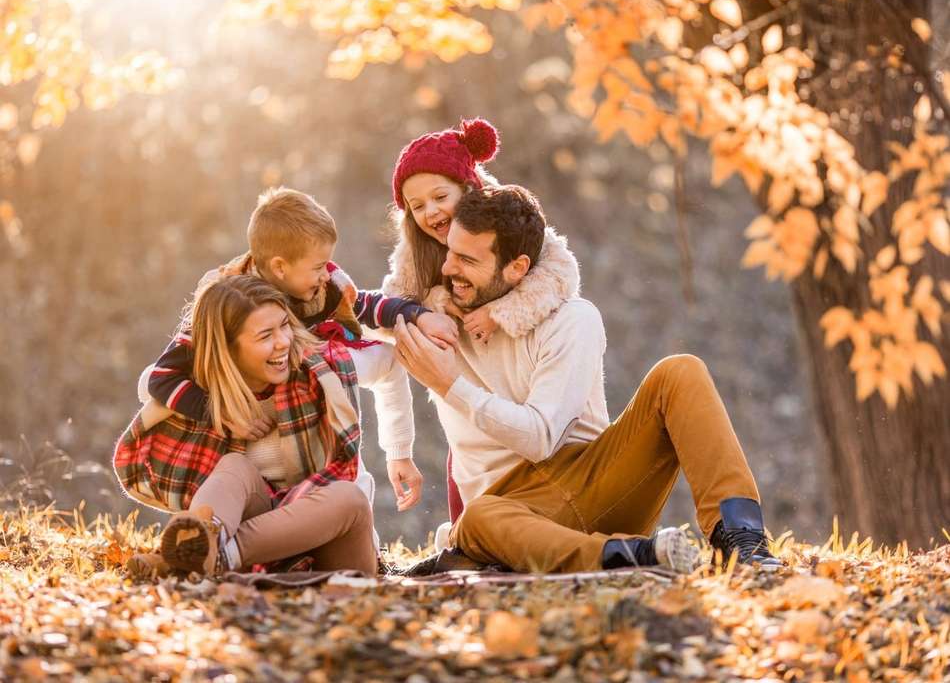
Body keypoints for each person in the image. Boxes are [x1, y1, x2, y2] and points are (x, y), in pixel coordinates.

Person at [392, 184, 783, 574]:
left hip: (594, 484)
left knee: (680, 371)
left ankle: (742, 542)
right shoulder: (439, 320)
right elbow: (361, 311)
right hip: (511, 513)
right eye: (450, 253)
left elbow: (541, 438)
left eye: (465, 259)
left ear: (517, 268)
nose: (447, 269)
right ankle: (632, 555)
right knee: (478, 518)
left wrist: (450, 387)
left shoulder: (571, 320)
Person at [143, 186, 458, 513]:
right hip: (247, 420)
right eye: (319, 266)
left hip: (309, 392)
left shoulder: (326, 286)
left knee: (347, 372)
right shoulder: (227, 301)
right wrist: (220, 414)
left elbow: (363, 304)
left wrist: (419, 316)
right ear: (280, 267)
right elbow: (160, 376)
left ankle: (348, 509)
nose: (326, 274)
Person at [383, 118, 581, 528]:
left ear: (468, 187)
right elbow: (392, 303)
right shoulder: (415, 251)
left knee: (526, 444)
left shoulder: (508, 224)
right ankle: (467, 536)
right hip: (468, 387)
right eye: (416, 206)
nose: (430, 211)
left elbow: (562, 275)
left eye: (440, 196)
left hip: (521, 369)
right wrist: (431, 305)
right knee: (469, 463)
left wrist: (500, 312)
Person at [115, 276, 378, 576]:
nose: (283, 342)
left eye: (284, 326)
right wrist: (217, 412)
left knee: (349, 498)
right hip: (261, 543)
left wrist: (401, 450)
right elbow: (153, 379)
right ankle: (200, 544)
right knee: (234, 466)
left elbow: (389, 360)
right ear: (228, 348)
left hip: (331, 549)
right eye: (265, 335)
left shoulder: (320, 371)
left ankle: (209, 557)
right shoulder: (204, 398)